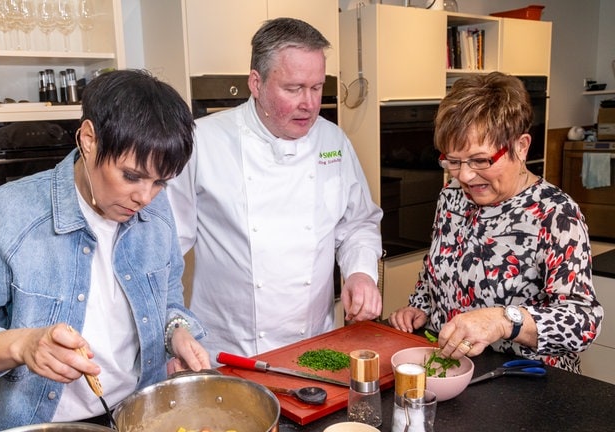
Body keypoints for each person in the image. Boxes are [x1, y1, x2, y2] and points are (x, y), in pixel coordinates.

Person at [0, 69, 211, 431]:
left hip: (138, 416)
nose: (145, 197)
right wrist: (22, 345)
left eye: (160, 182)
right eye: (131, 176)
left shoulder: (156, 213)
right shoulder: (3, 216)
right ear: (89, 140)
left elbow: (167, 300)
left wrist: (176, 331)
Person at [167, 17, 383, 361]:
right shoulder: (202, 142)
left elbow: (357, 223)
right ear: (256, 82)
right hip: (230, 351)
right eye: (294, 88)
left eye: (317, 87)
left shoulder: (333, 141)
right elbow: (164, 249)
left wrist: (360, 272)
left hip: (315, 345)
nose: (310, 103)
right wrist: (171, 330)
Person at [388, 72, 603, 373]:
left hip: (525, 380)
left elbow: (583, 321)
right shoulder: (452, 197)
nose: (463, 176)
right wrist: (419, 306)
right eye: (453, 161)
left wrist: (503, 321)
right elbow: (434, 269)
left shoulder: (556, 214)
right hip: (452, 370)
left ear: (521, 146)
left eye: (479, 160)